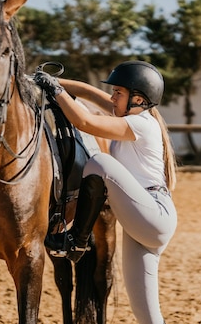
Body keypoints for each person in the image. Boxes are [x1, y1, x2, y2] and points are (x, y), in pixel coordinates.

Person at [35, 60, 177, 324]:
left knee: (100, 163)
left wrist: (55, 92)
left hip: (154, 216)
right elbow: (88, 93)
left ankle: (76, 241)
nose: (112, 97)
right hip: (140, 226)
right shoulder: (127, 115)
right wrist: (41, 81)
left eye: (118, 93)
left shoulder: (142, 124)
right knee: (147, 316)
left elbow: (85, 122)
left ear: (138, 99)